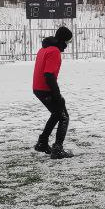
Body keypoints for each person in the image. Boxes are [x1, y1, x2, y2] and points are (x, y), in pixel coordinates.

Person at [32, 26, 74, 159]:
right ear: (62, 40)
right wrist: (57, 95)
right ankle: (57, 149)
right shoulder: (54, 51)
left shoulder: (43, 49)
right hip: (46, 89)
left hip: (37, 88)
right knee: (63, 116)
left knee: (56, 114)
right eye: (67, 42)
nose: (67, 46)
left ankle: (42, 142)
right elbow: (49, 75)